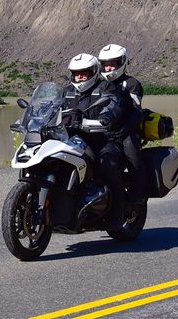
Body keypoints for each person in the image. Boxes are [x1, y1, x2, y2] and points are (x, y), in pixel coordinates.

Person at [61, 53, 129, 230]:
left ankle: (117, 212)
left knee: (107, 163)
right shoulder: (67, 91)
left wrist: (106, 118)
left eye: (84, 73)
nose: (79, 77)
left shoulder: (106, 87)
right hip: (72, 140)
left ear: (93, 71)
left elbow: (114, 103)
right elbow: (52, 107)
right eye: (76, 73)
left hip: (102, 139)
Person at [98, 43, 147, 204]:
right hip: (102, 129)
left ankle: (138, 191)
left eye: (113, 63)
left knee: (131, 150)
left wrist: (123, 130)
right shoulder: (99, 85)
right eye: (106, 63)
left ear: (122, 63)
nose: (109, 67)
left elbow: (136, 111)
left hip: (126, 130)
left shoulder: (131, 84)